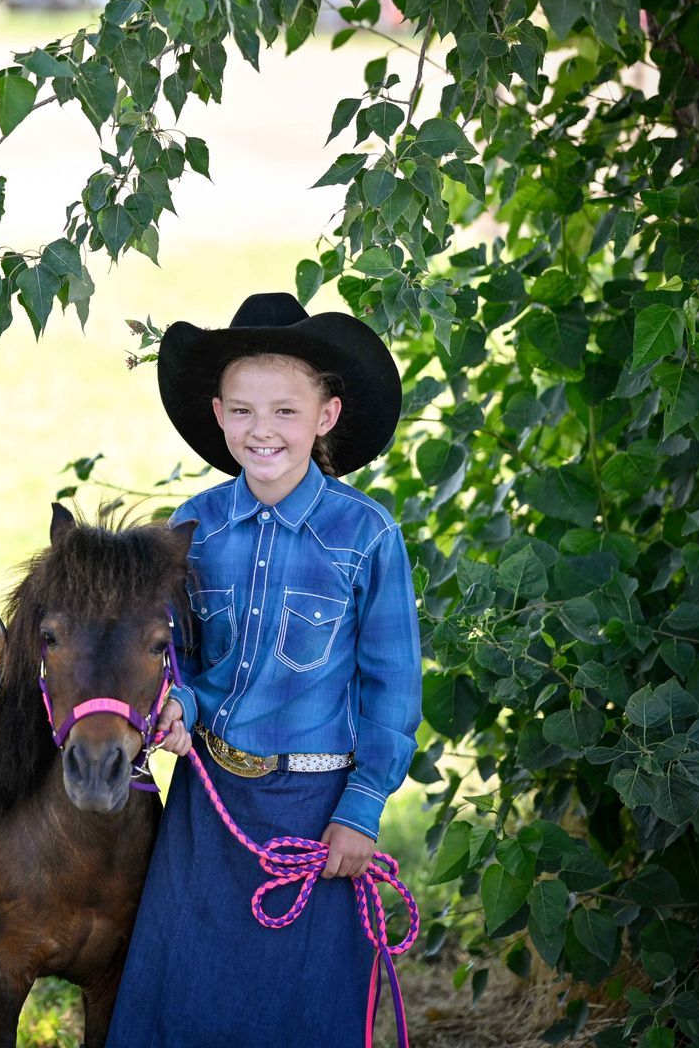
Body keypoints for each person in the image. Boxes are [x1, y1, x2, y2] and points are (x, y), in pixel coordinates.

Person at [112, 291, 422, 1047]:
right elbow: (176, 652)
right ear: (218, 416)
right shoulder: (195, 527)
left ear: (326, 416)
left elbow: (391, 687)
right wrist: (177, 703)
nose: (263, 431)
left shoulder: (366, 535)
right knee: (184, 997)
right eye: (244, 411)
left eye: (286, 411)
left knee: (306, 1009)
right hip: (210, 802)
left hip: (315, 809)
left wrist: (360, 810)